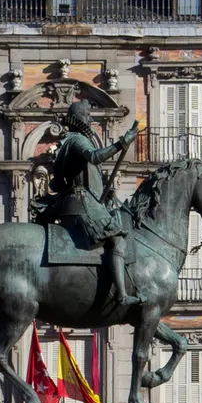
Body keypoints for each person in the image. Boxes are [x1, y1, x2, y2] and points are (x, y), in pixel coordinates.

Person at [44, 99, 140, 313]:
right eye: (87, 115)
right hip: (80, 203)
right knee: (117, 239)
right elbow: (94, 157)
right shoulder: (77, 139)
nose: (90, 119)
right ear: (79, 118)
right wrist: (122, 143)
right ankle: (121, 296)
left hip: (82, 201)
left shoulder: (72, 140)